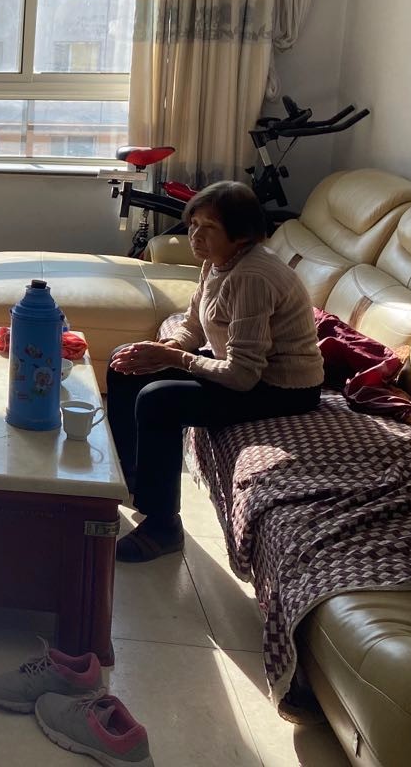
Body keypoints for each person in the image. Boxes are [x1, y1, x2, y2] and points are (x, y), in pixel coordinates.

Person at [106, 181, 323, 562]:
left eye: (209, 228)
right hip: (241, 368)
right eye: (194, 225)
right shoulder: (217, 262)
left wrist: (176, 360)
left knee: (159, 401)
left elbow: (243, 375)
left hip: (280, 387)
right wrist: (168, 348)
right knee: (125, 363)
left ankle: (163, 526)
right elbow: (193, 325)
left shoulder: (252, 276)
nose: (196, 236)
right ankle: (132, 479)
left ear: (241, 235)